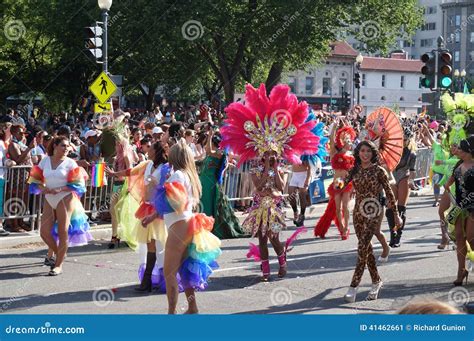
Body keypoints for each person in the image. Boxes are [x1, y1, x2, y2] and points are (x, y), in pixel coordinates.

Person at [154, 140, 221, 314]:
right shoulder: (190, 175)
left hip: (178, 226)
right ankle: (192, 307)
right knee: (184, 272)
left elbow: (177, 204)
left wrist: (161, 187)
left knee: (169, 273)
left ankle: (171, 312)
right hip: (188, 224)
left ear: (175, 157)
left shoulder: (177, 176)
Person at [343, 141, 400, 303]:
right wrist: (338, 182)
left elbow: (389, 194)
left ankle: (353, 286)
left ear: (373, 153)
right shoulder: (354, 170)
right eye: (362, 151)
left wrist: (396, 215)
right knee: (366, 248)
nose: (365, 154)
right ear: (358, 153)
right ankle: (376, 281)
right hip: (358, 213)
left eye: (368, 151)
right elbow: (342, 184)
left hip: (374, 210)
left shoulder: (379, 171)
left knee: (361, 247)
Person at [27, 136, 92, 276]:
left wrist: (60, 190)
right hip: (49, 197)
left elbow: (78, 185)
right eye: (63, 145)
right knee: (44, 231)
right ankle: (59, 253)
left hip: (65, 197)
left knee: (63, 230)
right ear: (55, 146)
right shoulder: (45, 160)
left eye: (68, 146)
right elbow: (35, 178)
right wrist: (42, 188)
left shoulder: (71, 164)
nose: (66, 148)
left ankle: (58, 265)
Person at [199, 129, 247, 239]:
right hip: (205, 182)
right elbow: (207, 152)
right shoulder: (214, 153)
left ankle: (211, 227)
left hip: (211, 183)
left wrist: (210, 135)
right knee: (204, 204)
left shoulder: (220, 153)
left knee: (209, 205)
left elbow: (209, 151)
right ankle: (204, 226)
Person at [314, 121, 356, 240]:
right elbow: (332, 140)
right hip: (337, 182)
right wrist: (334, 128)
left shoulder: (351, 155)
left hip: (347, 182)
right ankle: (341, 227)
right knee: (338, 208)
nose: (349, 141)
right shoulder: (334, 153)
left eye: (349, 139)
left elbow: (354, 172)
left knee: (346, 206)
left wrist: (355, 186)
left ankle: (346, 228)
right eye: (346, 139)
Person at [444, 136, 474, 286]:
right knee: (460, 238)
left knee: (471, 238)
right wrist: (448, 190)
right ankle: (461, 270)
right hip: (460, 207)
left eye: (461, 148)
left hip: (472, 208)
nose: (458, 150)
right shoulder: (458, 165)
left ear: (469, 151)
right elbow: (448, 183)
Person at [388, 128, 417, 248]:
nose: (403, 141)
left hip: (404, 177)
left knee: (401, 208)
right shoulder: (392, 150)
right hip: (393, 177)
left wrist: (410, 180)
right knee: (390, 208)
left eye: (405, 139)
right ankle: (392, 233)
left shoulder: (411, 153)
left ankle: (398, 235)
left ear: (408, 140)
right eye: (401, 139)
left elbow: (412, 170)